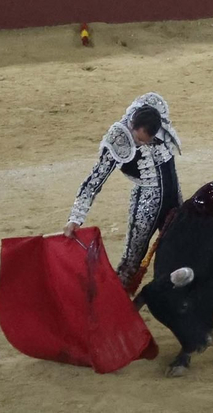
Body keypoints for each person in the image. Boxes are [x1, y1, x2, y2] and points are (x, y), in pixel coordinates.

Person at [63, 94, 185, 291]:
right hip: (147, 204)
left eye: (149, 140)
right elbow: (94, 180)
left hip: (173, 195)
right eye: (138, 139)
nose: (143, 144)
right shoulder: (118, 139)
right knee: (132, 262)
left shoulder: (156, 115)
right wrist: (76, 217)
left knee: (184, 250)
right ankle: (113, 309)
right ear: (132, 126)